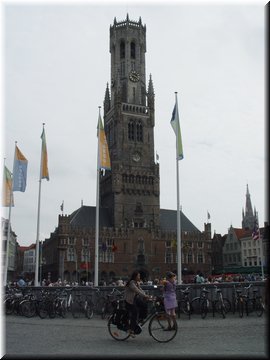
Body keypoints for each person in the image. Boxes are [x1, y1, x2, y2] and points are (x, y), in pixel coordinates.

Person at [124, 271, 149, 335]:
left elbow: (140, 290)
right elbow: (136, 290)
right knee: (135, 312)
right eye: (138, 276)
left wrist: (146, 295)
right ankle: (131, 329)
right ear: (135, 276)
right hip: (129, 301)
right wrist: (144, 296)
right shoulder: (131, 283)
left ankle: (140, 319)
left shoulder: (136, 283)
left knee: (144, 305)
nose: (139, 277)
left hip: (134, 299)